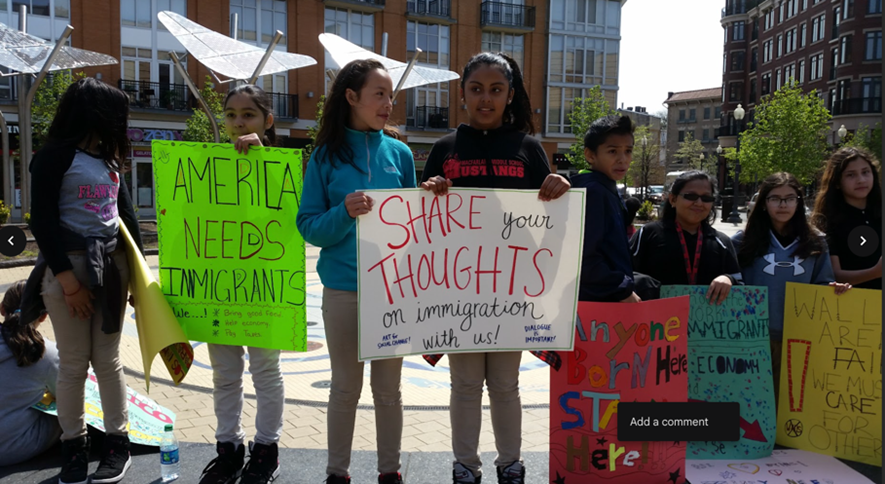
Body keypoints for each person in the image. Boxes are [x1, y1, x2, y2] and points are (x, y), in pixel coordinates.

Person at [420, 52, 570, 484]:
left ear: (510, 95)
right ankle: (465, 464)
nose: (486, 98)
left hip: (511, 291)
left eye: (496, 89)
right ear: (462, 93)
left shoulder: (528, 148)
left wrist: (562, 185)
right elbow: (423, 223)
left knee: (506, 385)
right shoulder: (445, 148)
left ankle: (511, 463)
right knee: (465, 385)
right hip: (458, 291)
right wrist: (429, 190)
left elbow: (554, 215)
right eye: (476, 89)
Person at [296, 59, 415, 484]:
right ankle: (337, 473)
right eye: (379, 94)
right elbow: (309, 227)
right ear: (352, 97)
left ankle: (389, 472)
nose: (389, 103)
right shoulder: (325, 156)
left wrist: (434, 197)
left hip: (394, 293)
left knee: (389, 392)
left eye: (390, 95)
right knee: (345, 388)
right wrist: (343, 213)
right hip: (343, 291)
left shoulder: (400, 154)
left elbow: (416, 226)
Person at [21, 77, 143, 484]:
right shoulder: (54, 156)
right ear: (96, 113)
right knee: (74, 364)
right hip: (67, 272)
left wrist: (141, 286)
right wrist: (69, 283)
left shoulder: (110, 161)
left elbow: (126, 221)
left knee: (107, 362)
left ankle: (117, 444)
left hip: (113, 270)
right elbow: (41, 221)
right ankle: (75, 448)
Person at [198, 84, 285, 484]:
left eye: (247, 114)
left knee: (266, 370)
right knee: (224, 373)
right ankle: (228, 448)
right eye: (230, 114)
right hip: (219, 287)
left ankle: (265, 448)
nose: (237, 123)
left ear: (267, 121)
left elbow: (288, 218)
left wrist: (263, 159)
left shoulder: (281, 167)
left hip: (263, 286)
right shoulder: (207, 165)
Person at [732, 172, 850, 403]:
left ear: (799, 201)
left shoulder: (815, 241)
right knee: (752, 400)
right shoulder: (743, 240)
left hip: (797, 335)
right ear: (764, 203)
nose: (783, 204)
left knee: (789, 400)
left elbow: (822, 283)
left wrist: (835, 289)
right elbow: (735, 281)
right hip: (752, 335)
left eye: (790, 198)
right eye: (775, 198)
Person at [630, 170, 741, 303]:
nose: (699, 203)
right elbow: (623, 274)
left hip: (707, 322)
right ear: (673, 199)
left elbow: (739, 282)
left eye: (706, 198)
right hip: (656, 320)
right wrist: (646, 285)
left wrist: (728, 279)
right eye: (691, 196)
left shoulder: (722, 242)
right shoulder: (648, 234)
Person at [573, 115, 640, 303]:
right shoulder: (593, 191)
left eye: (628, 151)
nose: (623, 159)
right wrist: (622, 289)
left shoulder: (605, 186)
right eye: (613, 151)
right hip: (597, 302)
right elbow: (584, 257)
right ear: (590, 155)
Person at [0, 281, 61, 467]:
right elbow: (67, 394)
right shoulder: (45, 353)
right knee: (68, 409)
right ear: (43, 316)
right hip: (10, 449)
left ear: (2, 309)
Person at [812, 146, 882, 289]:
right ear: (837, 182)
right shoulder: (827, 221)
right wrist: (875, 272)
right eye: (851, 175)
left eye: (865, 172)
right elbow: (832, 275)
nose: (861, 180)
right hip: (851, 305)